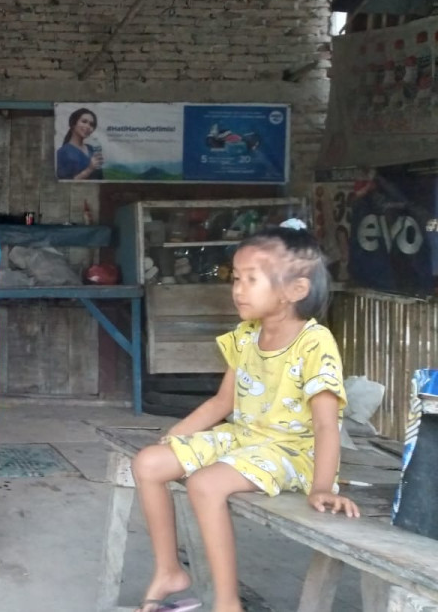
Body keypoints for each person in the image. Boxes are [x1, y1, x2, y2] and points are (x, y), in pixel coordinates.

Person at [128, 220, 360, 612]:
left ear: (295, 290)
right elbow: (222, 402)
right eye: (236, 278)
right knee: (148, 462)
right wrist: (176, 435)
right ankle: (169, 570)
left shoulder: (314, 342)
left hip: (291, 452)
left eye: (251, 279)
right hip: (245, 440)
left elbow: (325, 423)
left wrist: (323, 486)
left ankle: (227, 602)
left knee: (205, 484)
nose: (237, 289)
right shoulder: (247, 334)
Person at [56, 107, 104, 180]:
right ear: (73, 124)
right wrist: (89, 169)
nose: (88, 126)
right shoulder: (63, 152)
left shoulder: (91, 148)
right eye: (84, 121)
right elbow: (65, 183)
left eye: (91, 124)